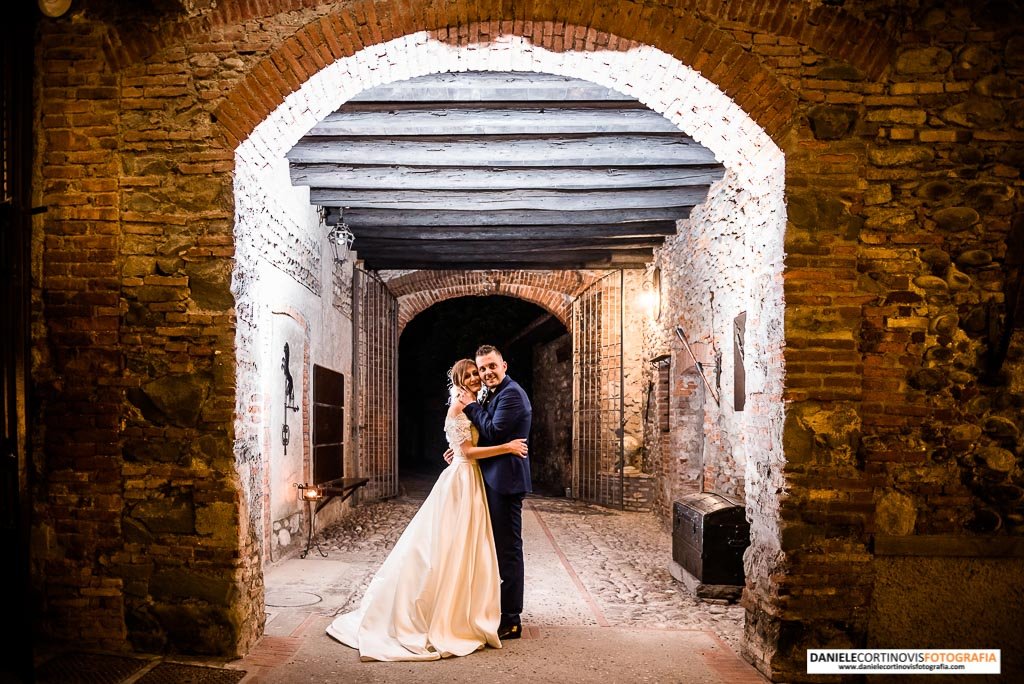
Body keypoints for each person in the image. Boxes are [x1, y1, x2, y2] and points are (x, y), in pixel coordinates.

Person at [326, 359, 528, 661]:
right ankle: (449, 611)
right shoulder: (461, 405)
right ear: (459, 380)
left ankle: (479, 609)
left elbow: (478, 436)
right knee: (448, 547)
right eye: (471, 374)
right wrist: (506, 447)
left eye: (480, 371)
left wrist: (460, 449)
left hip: (472, 479)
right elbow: (470, 449)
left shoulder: (486, 398)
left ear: (502, 366)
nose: (477, 376)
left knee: (471, 548)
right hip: (463, 480)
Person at [455, 344, 533, 641]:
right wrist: (461, 452)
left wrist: (470, 406)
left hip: (505, 483)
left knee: (508, 551)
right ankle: (495, 608)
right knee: (494, 548)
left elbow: (495, 432)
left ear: (504, 366)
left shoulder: (511, 394)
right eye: (482, 368)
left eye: (491, 366)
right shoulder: (497, 393)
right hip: (494, 479)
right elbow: (481, 435)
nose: (486, 372)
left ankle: (512, 619)